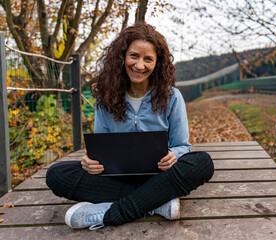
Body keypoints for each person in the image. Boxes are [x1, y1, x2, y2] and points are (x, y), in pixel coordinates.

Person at [46, 23, 214, 230]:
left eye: (148, 59)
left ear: (158, 64)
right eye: (134, 56)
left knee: (203, 162)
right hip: (118, 179)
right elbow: (101, 148)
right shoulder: (105, 98)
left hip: (161, 176)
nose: (140, 65)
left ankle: (112, 213)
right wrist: (90, 161)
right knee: (56, 175)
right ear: (122, 57)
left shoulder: (172, 97)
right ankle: (155, 203)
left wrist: (174, 155)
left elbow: (182, 145)